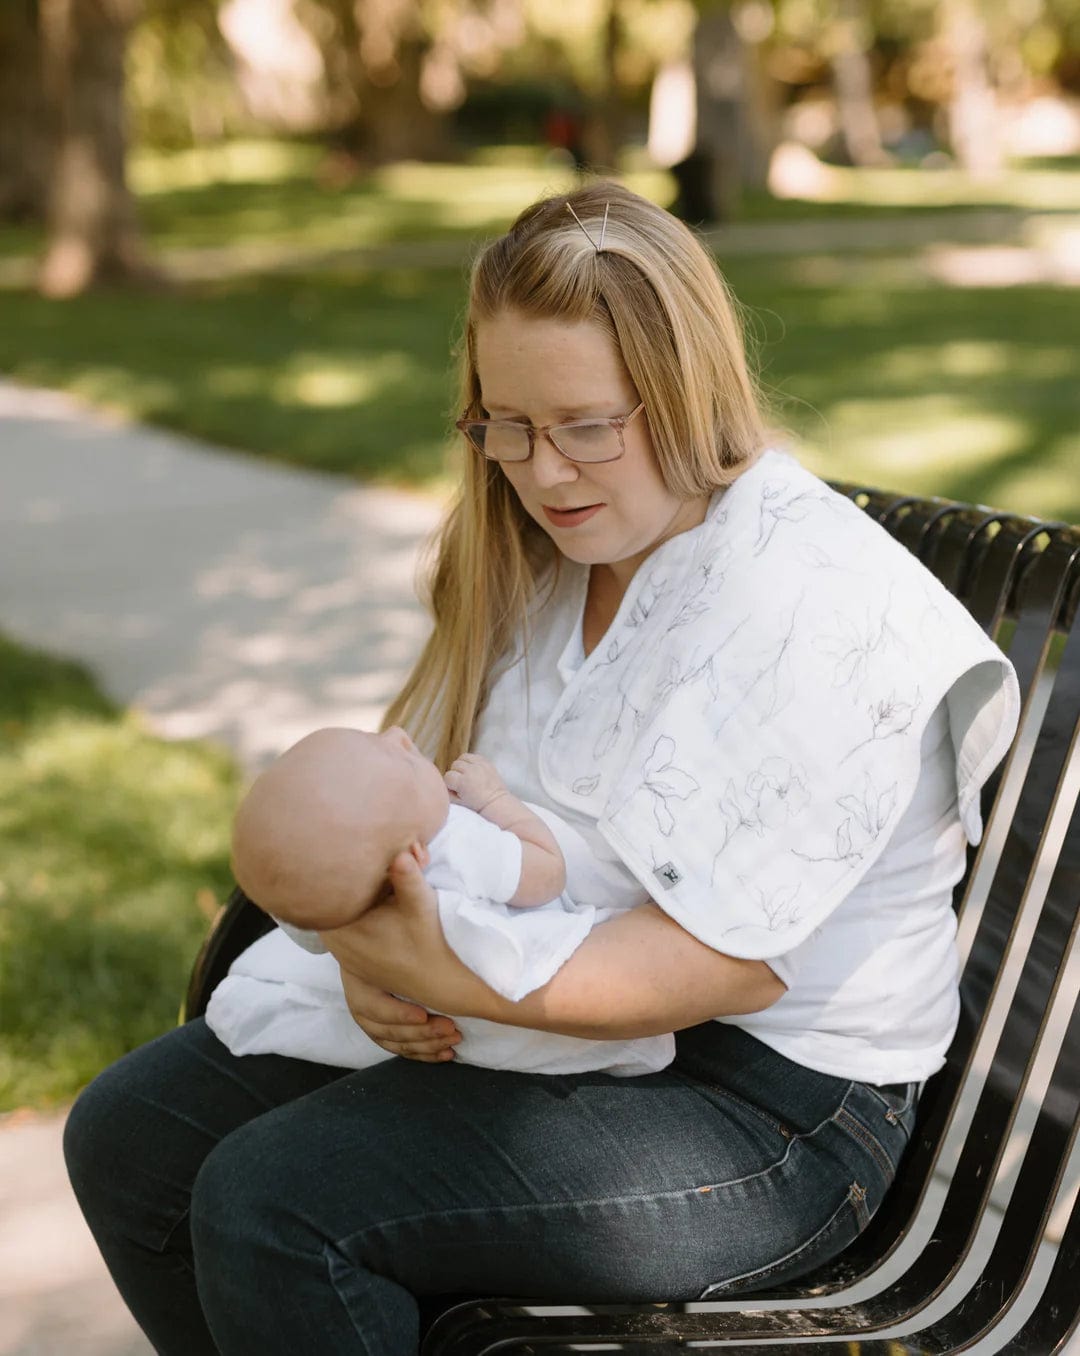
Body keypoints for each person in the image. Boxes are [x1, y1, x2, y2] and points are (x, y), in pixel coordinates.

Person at [64, 181, 1020, 1356]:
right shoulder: (552, 557)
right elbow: (416, 826)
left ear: (687, 395)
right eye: (505, 426)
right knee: (131, 1136)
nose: (542, 472)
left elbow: (713, 970)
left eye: (583, 426)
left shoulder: (815, 604)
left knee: (281, 1203)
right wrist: (381, 968)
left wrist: (439, 973)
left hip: (774, 1111)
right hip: (566, 1019)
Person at [207, 724, 670, 1075]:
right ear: (412, 856)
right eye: (403, 764)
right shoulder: (454, 845)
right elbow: (546, 873)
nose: (399, 737)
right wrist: (495, 801)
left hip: (456, 1036)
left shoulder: (356, 893)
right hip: (545, 1018)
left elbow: (318, 934)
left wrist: (357, 969)